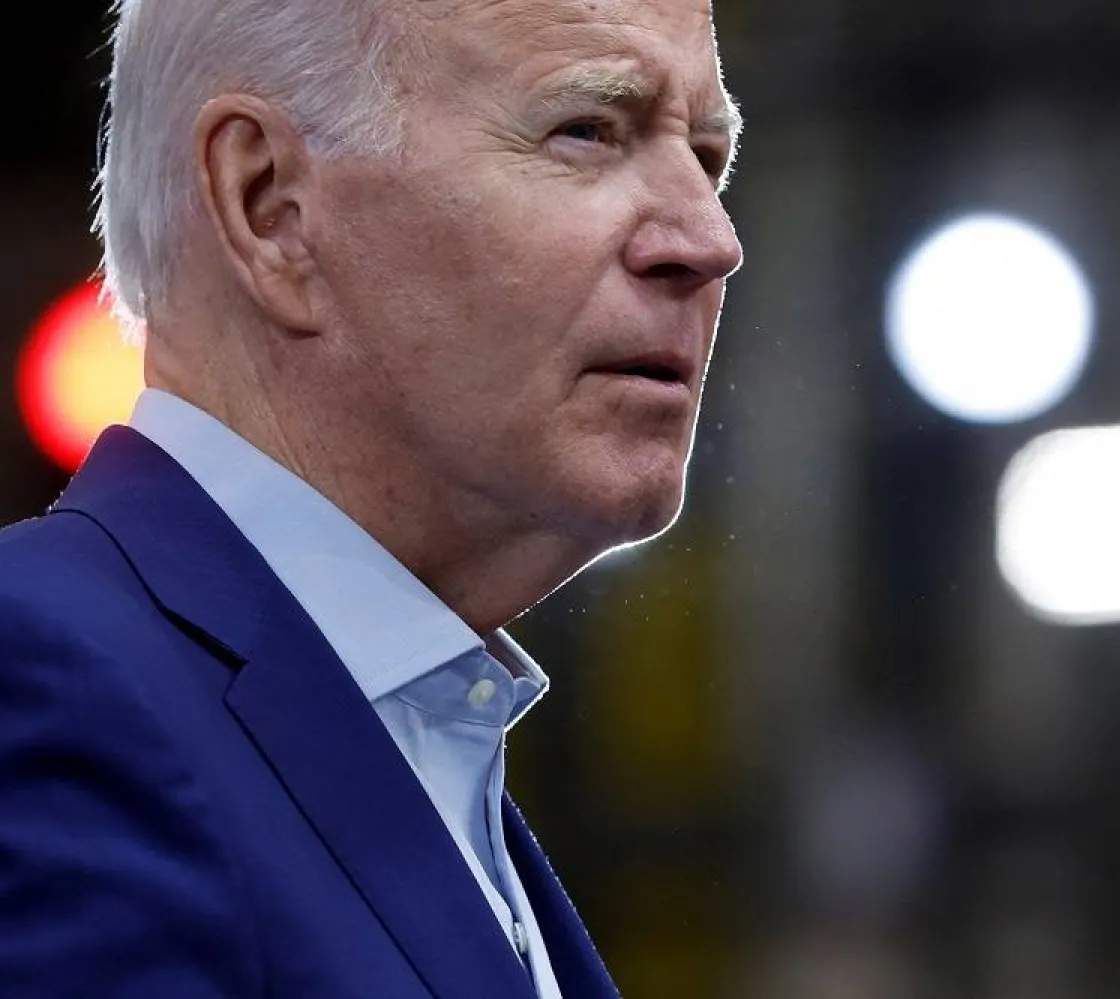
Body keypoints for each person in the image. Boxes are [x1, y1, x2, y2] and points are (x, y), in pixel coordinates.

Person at [0, 0, 742, 993]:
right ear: (270, 206)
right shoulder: (46, 681)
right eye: (587, 130)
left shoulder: (403, 740)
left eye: (708, 157)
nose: (709, 238)